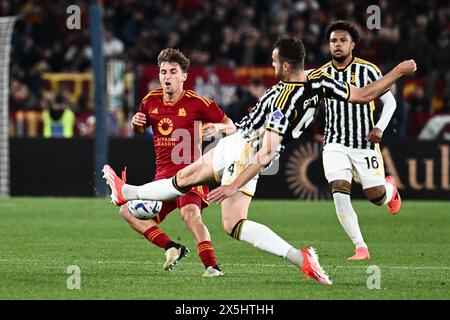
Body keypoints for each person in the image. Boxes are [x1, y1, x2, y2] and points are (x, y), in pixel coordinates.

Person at [103, 37, 416, 286]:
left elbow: (264, 151)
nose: (272, 65)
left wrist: (232, 185)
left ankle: (126, 192)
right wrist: (398, 72)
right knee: (232, 223)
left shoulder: (285, 101)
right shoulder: (319, 80)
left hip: (244, 149)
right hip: (248, 150)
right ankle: (302, 259)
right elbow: (363, 94)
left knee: (183, 179)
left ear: (286, 64)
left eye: (274, 60)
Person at [117, 48, 235, 277]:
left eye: (173, 71)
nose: (167, 76)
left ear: (184, 76)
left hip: (192, 174)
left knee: (190, 214)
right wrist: (136, 124)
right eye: (163, 72)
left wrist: (218, 128)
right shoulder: (150, 100)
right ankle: (172, 247)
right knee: (126, 211)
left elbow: (232, 126)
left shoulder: (198, 103)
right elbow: (141, 128)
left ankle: (212, 267)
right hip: (163, 179)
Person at [316, 21, 402, 261]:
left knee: (376, 197)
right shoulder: (321, 74)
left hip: (364, 143)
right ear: (329, 45)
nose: (338, 44)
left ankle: (390, 189)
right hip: (334, 143)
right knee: (339, 191)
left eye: (343, 40)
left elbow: (391, 102)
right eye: (334, 41)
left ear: (352, 44)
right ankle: (360, 247)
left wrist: (379, 127)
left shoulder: (369, 71)